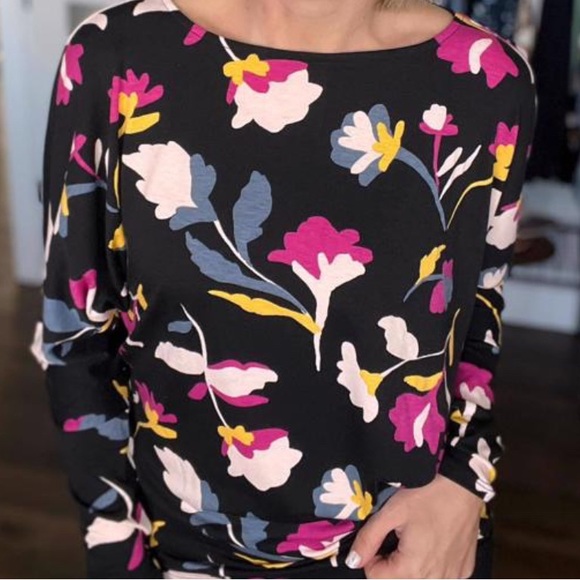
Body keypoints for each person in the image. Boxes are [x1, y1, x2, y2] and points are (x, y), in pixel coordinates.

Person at [32, 0, 536, 578]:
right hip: (185, 553)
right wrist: (118, 557)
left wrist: (464, 479)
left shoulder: (486, 79)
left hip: (411, 550)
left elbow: (477, 315)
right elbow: (76, 341)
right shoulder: (115, 58)